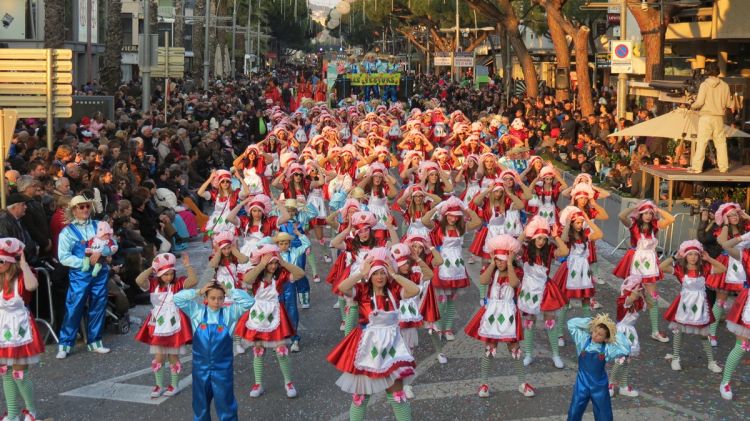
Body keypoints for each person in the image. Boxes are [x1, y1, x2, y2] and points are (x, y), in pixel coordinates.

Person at [326, 247, 420, 421]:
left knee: (397, 396)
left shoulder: (394, 291)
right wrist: (361, 272)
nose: (380, 277)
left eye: (383, 273)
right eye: (376, 273)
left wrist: (395, 274)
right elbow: (342, 286)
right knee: (361, 398)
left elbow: (415, 291)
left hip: (392, 347)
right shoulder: (361, 292)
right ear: (370, 275)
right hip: (367, 348)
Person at [463, 234, 536, 398]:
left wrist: (509, 263)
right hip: (492, 313)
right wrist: (491, 262)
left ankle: (522, 383)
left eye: (502, 259)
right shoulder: (491, 269)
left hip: (509, 312)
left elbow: (514, 283)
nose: (500, 262)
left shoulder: (516, 270)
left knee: (515, 349)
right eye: (498, 259)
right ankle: (484, 383)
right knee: (489, 348)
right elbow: (483, 280)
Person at [174, 280, 255, 421]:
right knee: (200, 405)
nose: (217, 301)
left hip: (223, 370)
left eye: (220, 298)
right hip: (200, 369)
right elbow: (176, 299)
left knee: (226, 404)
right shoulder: (197, 311)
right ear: (205, 298)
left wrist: (229, 291)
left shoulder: (230, 313)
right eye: (212, 298)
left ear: (224, 298)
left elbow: (249, 302)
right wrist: (198, 291)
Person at [235, 243, 304, 399]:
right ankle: (258, 383)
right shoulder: (255, 275)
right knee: (258, 350)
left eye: (275, 263)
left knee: (281, 350)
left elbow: (300, 274)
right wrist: (261, 264)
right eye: (270, 263)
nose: (273, 266)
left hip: (275, 313)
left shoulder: (280, 275)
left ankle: (288, 382)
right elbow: (246, 279)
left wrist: (284, 263)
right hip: (258, 314)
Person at [56, 195, 118, 358]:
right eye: (80, 207)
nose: (85, 210)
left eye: (87, 207)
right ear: (73, 210)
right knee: (74, 306)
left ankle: (95, 342)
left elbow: (113, 245)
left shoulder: (100, 225)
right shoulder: (67, 231)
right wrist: (85, 261)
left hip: (100, 272)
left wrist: (101, 252)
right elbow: (63, 257)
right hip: (79, 274)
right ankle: (65, 344)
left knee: (99, 304)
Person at [134, 253, 197, 398]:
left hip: (175, 324)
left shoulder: (178, 283)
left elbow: (193, 281)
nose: (169, 277)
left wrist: (188, 266)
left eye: (171, 273)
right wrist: (153, 266)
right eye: (165, 274)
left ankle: (174, 385)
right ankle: (158, 385)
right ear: (159, 274)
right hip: (158, 325)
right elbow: (139, 280)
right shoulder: (153, 284)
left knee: (173, 357)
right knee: (159, 357)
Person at [660, 240, 725, 373]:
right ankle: (676, 358)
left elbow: (722, 269)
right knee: (678, 332)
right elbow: (661, 267)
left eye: (696, 254)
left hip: (700, 305)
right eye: (690, 254)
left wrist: (709, 259)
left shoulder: (705, 269)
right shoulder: (679, 269)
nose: (693, 257)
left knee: (703, 334)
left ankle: (711, 362)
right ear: (685, 256)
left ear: (699, 256)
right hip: (684, 304)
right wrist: (674, 257)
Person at [0, 238, 44, 421]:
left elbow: (32, 286)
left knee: (19, 373)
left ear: (9, 263)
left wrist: (24, 264)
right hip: (2, 329)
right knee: (5, 373)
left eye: (1, 261)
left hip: (20, 328)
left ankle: (31, 410)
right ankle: (12, 414)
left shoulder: (21, 278)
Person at [566, 314, 630, 421]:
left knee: (603, 413)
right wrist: (591, 322)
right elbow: (571, 324)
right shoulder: (582, 340)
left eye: (600, 335)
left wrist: (614, 332)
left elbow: (625, 349)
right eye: (595, 331)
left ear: (606, 338)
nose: (595, 335)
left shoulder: (608, 349)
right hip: (582, 383)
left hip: (599, 385)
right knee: (575, 410)